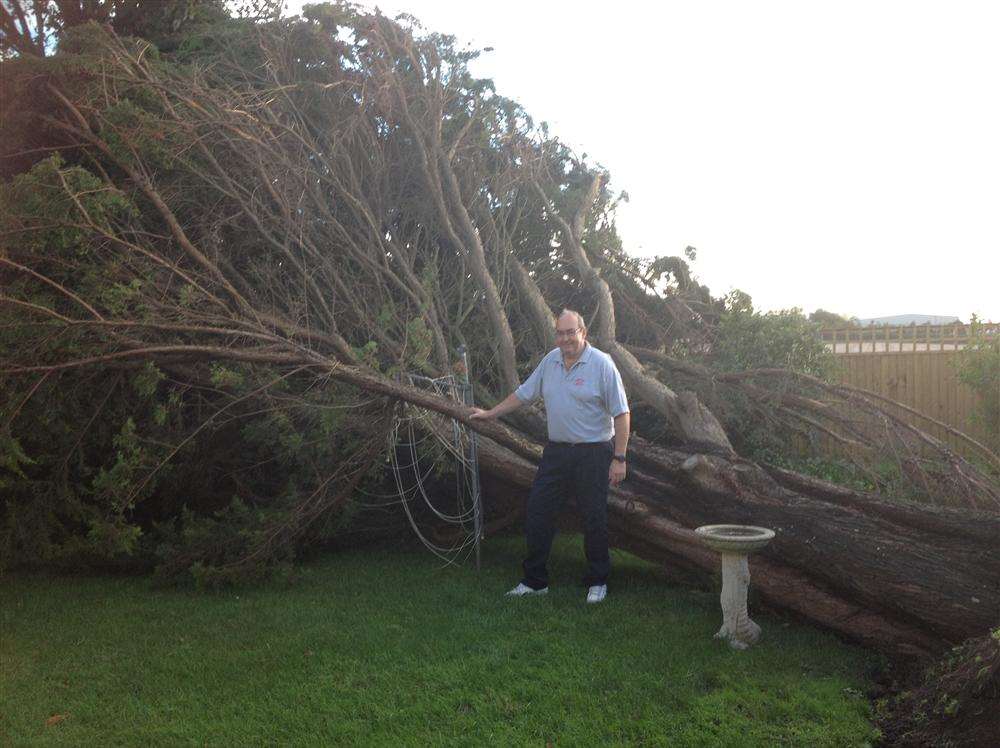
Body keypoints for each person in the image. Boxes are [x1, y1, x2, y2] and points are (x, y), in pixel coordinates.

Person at [470, 309, 630, 604]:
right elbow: (523, 394)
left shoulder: (602, 364)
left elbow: (621, 413)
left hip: (594, 452)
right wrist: (490, 414)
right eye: (561, 333)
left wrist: (619, 458)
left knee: (593, 516)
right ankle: (535, 581)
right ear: (556, 335)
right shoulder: (550, 362)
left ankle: (597, 580)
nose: (566, 338)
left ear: (583, 332)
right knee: (538, 511)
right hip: (557, 452)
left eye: (571, 332)